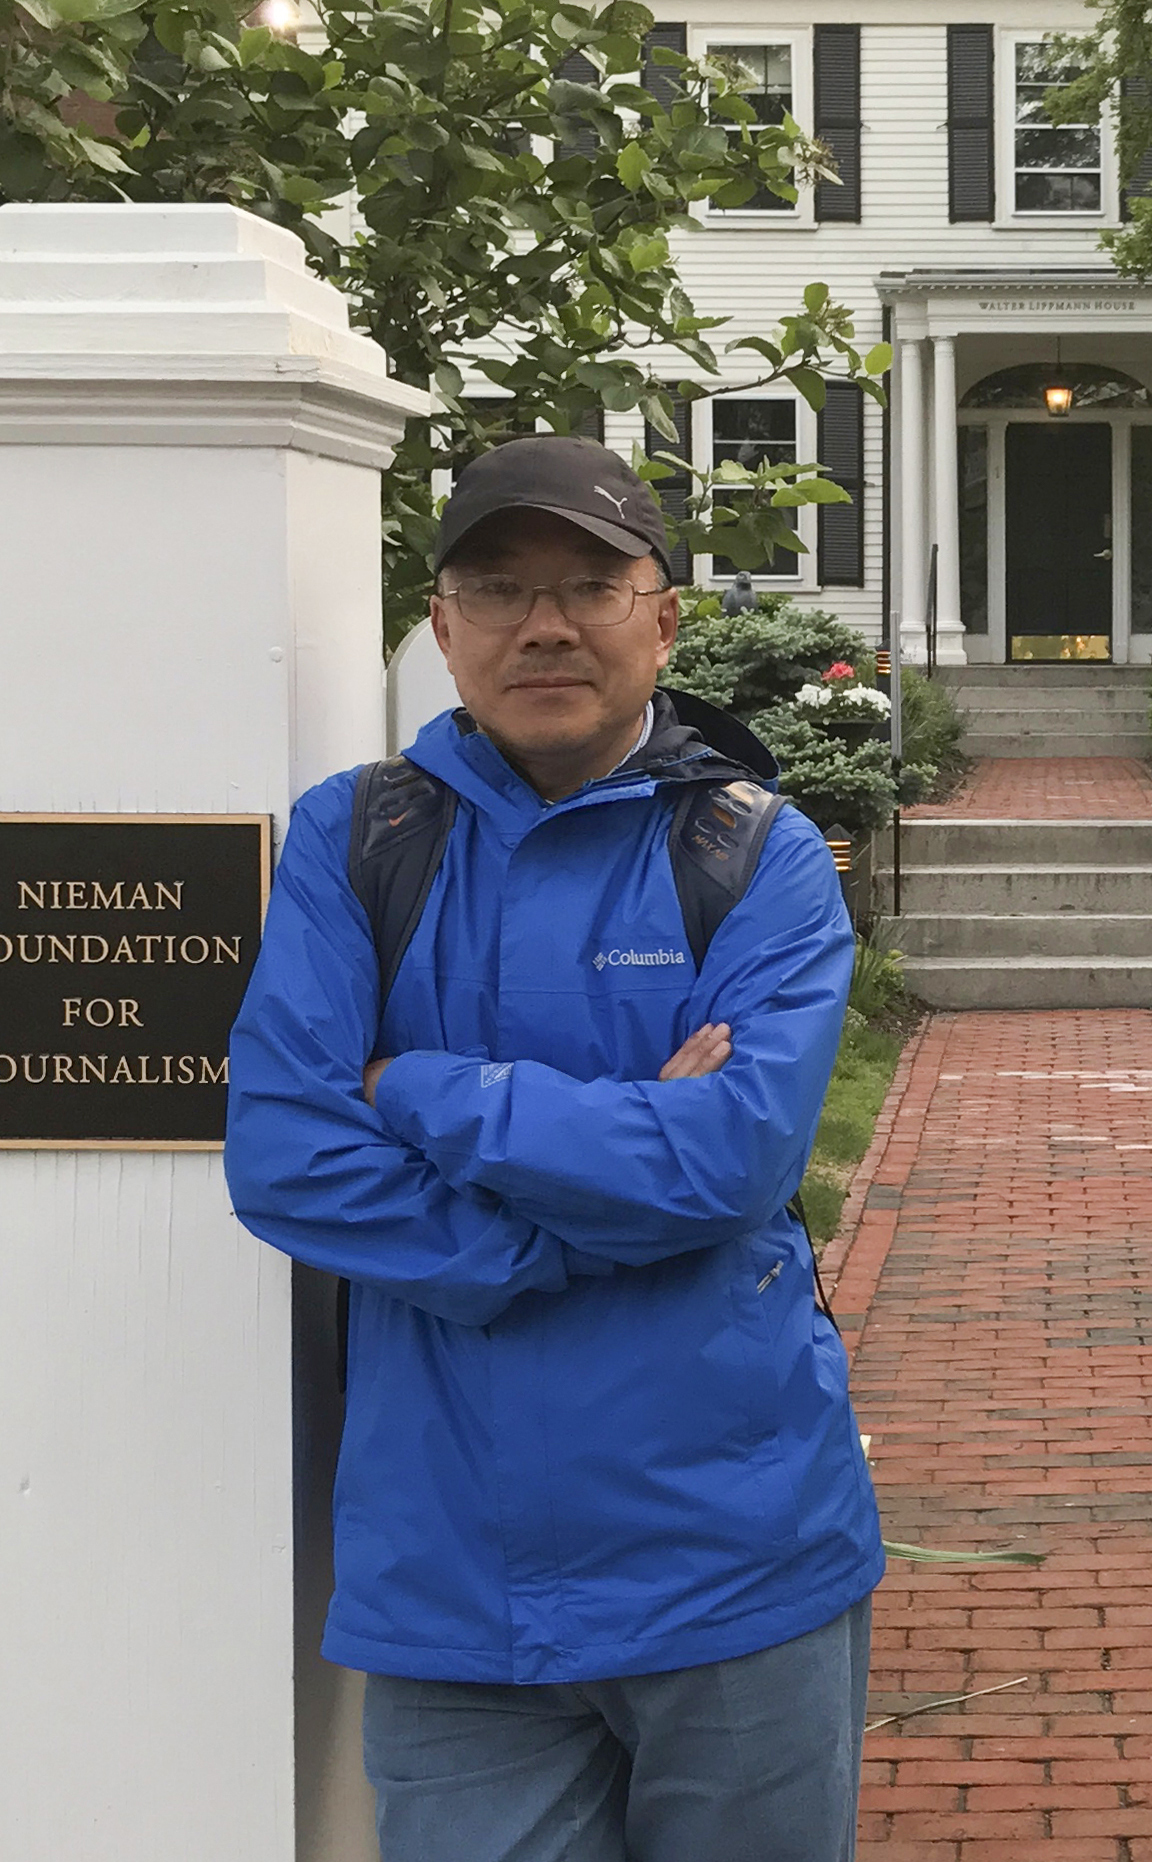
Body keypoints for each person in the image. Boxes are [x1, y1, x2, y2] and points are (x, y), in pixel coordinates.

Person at [224, 435, 882, 1861]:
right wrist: (556, 1229)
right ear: (442, 624)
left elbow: (731, 1159)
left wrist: (423, 1086)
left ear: (663, 616)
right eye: (501, 585)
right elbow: (286, 1152)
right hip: (460, 1583)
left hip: (739, 1557)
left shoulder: (753, 854)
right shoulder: (355, 844)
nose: (545, 622)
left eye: (591, 582)